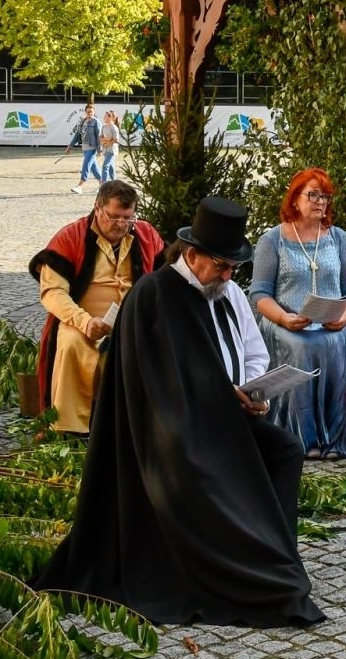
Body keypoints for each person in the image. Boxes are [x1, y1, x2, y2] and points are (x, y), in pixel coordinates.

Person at [35, 196, 324, 627]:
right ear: (193, 256)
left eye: (233, 269)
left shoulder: (226, 293)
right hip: (170, 432)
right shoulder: (155, 295)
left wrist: (252, 391)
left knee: (285, 450)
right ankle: (246, 564)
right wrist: (226, 399)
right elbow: (158, 384)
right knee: (206, 464)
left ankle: (275, 552)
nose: (228, 276)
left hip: (226, 417)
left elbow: (250, 350)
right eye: (222, 267)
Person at [29, 180, 166, 434]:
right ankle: (69, 431)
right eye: (114, 217)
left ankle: (134, 431)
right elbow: (53, 292)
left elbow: (165, 279)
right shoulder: (71, 236)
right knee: (72, 345)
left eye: (128, 218)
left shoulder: (146, 234)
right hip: (80, 321)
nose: (121, 225)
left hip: (131, 323)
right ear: (98, 208)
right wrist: (85, 321)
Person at [250, 168, 346, 459]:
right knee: (302, 344)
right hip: (286, 323)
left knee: (334, 339)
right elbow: (259, 294)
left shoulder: (339, 238)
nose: (320, 202)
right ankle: (301, 437)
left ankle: (336, 437)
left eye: (325, 196)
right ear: (294, 198)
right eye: (313, 194)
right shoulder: (272, 240)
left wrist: (345, 316)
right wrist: (284, 318)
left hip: (331, 322)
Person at [68, 104, 101, 194]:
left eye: (91, 111)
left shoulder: (96, 122)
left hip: (93, 148)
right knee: (93, 167)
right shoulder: (82, 122)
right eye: (88, 111)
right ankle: (103, 184)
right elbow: (77, 135)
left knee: (86, 165)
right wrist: (70, 145)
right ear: (85, 112)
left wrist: (99, 149)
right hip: (85, 148)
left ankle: (80, 186)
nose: (89, 113)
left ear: (94, 112)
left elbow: (99, 136)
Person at [99, 110, 121, 182]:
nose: (104, 118)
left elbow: (116, 140)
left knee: (105, 166)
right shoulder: (103, 127)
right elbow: (100, 137)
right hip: (105, 150)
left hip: (112, 151)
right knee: (111, 168)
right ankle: (115, 184)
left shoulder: (114, 127)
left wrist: (108, 142)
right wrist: (106, 140)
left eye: (105, 116)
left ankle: (103, 185)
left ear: (110, 118)